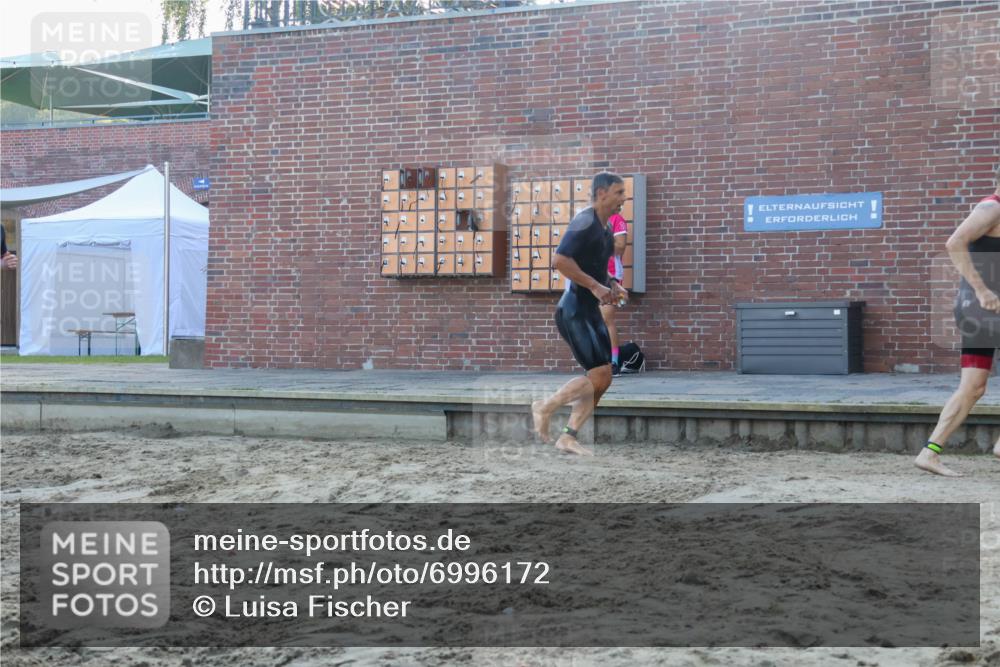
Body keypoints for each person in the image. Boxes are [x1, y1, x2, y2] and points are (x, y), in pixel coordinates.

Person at [531, 172, 628, 456]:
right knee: (597, 375)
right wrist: (596, 287)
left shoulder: (605, 231)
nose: (623, 198)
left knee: (603, 378)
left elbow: (595, 268)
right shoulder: (584, 222)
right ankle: (545, 406)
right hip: (574, 310)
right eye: (619, 192)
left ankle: (568, 437)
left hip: (590, 311)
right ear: (601, 193)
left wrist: (612, 284)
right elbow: (560, 260)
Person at [916, 165, 1000, 476]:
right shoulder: (991, 207)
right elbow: (954, 243)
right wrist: (982, 291)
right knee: (972, 386)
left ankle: (930, 453)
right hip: (983, 307)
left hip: (980, 310)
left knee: (973, 387)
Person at [601, 210, 628, 376]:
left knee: (607, 318)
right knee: (593, 320)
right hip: (591, 273)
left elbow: (620, 247)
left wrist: (598, 243)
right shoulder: (591, 219)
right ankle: (598, 362)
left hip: (611, 274)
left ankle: (614, 362)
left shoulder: (617, 219)